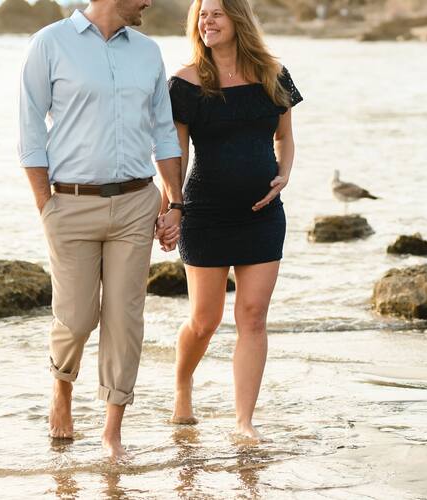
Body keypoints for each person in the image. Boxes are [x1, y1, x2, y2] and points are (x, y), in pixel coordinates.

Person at [18, 0, 183, 460]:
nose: (149, 2)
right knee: (76, 318)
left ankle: (113, 431)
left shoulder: (148, 52)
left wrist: (176, 203)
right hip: (69, 204)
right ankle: (62, 389)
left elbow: (165, 133)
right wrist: (44, 205)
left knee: (124, 319)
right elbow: (29, 130)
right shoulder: (49, 44)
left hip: (136, 202)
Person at [164, 0, 303, 442]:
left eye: (217, 13)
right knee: (205, 319)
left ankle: (244, 421)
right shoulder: (185, 84)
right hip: (205, 215)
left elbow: (285, 137)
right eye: (202, 15)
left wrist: (284, 175)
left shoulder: (272, 75)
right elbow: (176, 154)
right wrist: (173, 205)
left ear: (238, 19)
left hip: (263, 217)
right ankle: (183, 385)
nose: (207, 21)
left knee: (253, 316)